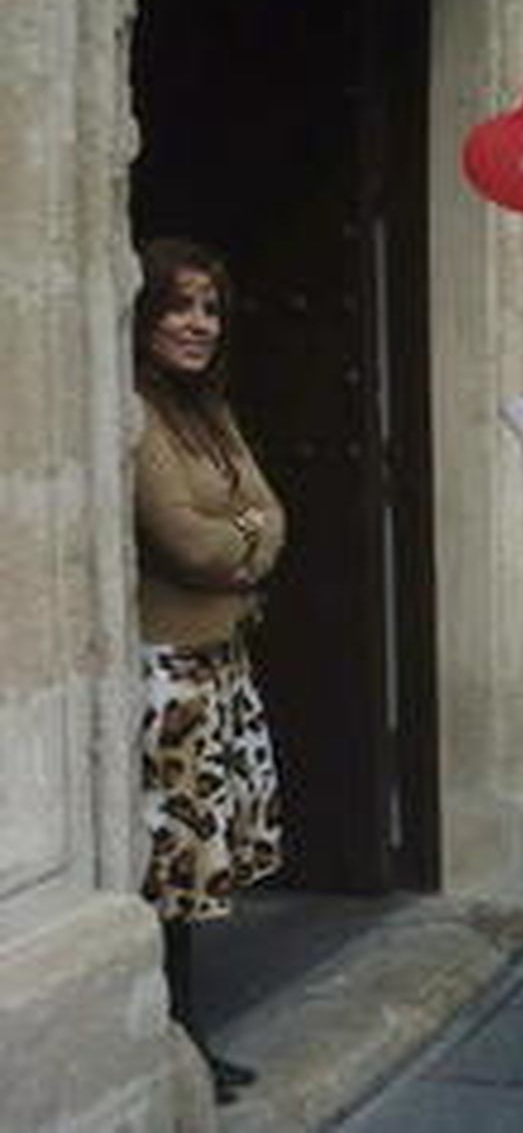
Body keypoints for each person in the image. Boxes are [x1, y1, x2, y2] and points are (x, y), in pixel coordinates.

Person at [132, 238, 287, 1105]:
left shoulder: (207, 409)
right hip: (169, 674)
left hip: (219, 662)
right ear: (144, 313)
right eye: (179, 305)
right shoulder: (138, 411)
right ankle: (173, 1042)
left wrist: (240, 540)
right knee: (172, 870)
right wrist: (246, 541)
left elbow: (277, 513)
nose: (197, 322)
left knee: (198, 868)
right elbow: (185, 541)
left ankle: (189, 1035)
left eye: (210, 308)